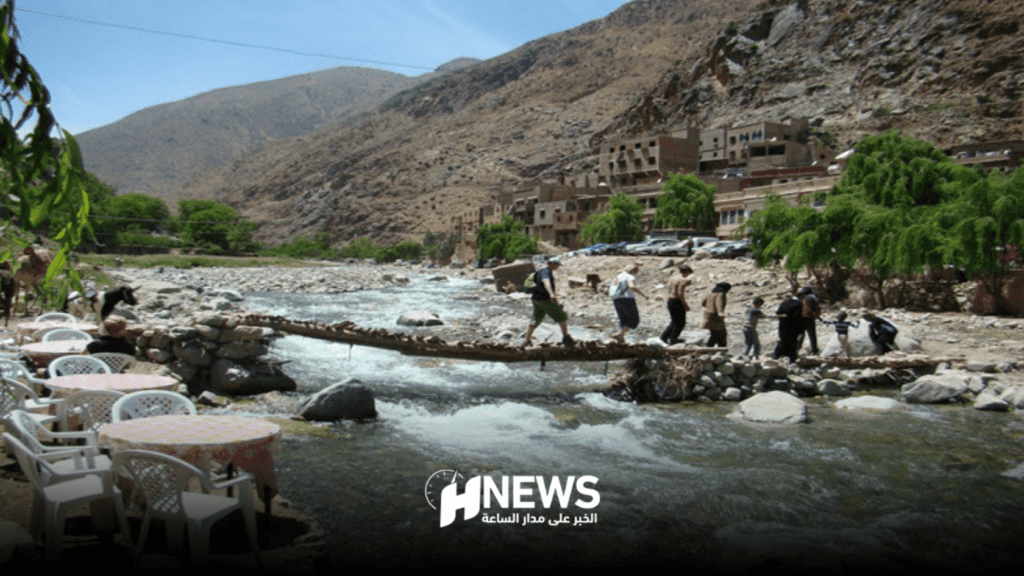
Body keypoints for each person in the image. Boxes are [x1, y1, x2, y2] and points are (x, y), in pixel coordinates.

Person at [524, 257, 574, 348]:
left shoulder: (539, 272)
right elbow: (546, 282)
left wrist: (557, 303)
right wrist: (551, 294)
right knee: (561, 316)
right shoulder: (546, 271)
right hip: (544, 299)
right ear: (552, 263)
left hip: (536, 299)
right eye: (557, 265)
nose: (558, 267)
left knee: (536, 319)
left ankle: (526, 341)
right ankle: (566, 338)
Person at [610, 264, 648, 343]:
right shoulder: (629, 276)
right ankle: (619, 334)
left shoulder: (618, 276)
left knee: (623, 319)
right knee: (634, 320)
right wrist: (643, 295)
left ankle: (620, 339)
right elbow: (632, 286)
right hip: (627, 299)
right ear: (633, 270)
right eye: (636, 271)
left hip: (616, 299)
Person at [660, 264, 693, 345]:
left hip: (670, 300)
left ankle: (664, 336)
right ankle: (673, 338)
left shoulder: (673, 278)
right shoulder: (683, 279)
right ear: (687, 272)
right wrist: (685, 305)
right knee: (681, 322)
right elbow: (679, 293)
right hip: (677, 301)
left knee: (674, 321)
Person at [773, 292, 804, 362]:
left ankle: (776, 356)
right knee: (793, 342)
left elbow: (778, 314)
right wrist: (801, 329)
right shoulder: (798, 304)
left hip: (783, 325)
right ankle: (792, 359)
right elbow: (798, 318)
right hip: (793, 327)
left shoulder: (783, 303)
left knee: (783, 341)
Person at [701, 282, 731, 347]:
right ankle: (722, 350)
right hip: (716, 317)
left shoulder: (710, 294)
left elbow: (703, 303)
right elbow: (718, 303)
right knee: (722, 335)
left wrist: (709, 307)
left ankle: (709, 349)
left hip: (708, 317)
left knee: (714, 334)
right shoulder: (720, 294)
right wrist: (720, 312)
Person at [799, 286, 822, 355]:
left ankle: (797, 348)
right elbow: (817, 308)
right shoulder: (812, 297)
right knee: (812, 335)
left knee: (801, 334)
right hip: (810, 318)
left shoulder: (800, 298)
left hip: (801, 318)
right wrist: (816, 316)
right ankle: (814, 350)